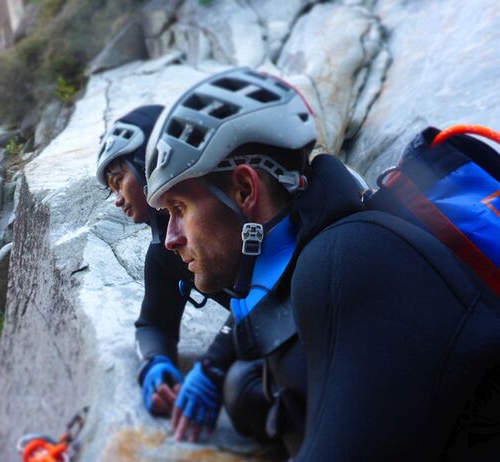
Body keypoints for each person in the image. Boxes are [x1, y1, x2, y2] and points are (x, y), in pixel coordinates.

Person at [143, 67, 500, 460]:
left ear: (245, 189)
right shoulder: (308, 254)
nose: (172, 237)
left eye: (180, 208)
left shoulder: (350, 258)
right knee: (245, 389)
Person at [96, 105, 273, 443]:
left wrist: (215, 363)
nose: (117, 200)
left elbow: (276, 281)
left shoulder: (233, 214)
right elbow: (152, 324)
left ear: (150, 165)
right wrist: (155, 363)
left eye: (120, 182)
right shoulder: (164, 251)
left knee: (245, 390)